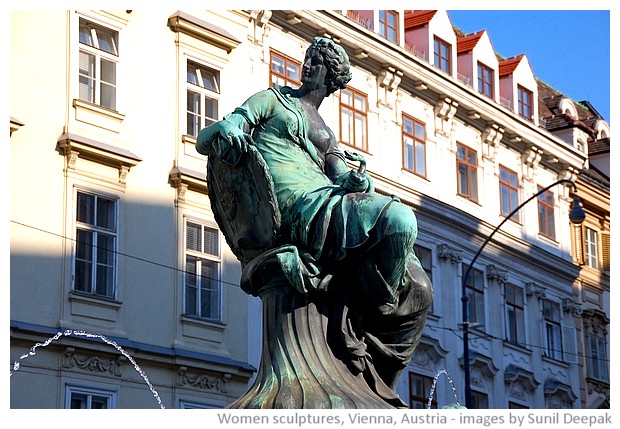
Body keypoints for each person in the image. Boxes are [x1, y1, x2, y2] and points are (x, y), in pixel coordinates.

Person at [197, 37, 432, 404]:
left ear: (331, 78)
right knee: (399, 220)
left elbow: (340, 176)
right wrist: (228, 129)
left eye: (316, 63)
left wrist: (356, 181)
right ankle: (376, 310)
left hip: (325, 197)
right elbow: (207, 137)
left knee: (418, 283)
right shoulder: (273, 99)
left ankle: (376, 360)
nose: (307, 66)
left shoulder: (325, 131)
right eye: (307, 59)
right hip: (293, 206)